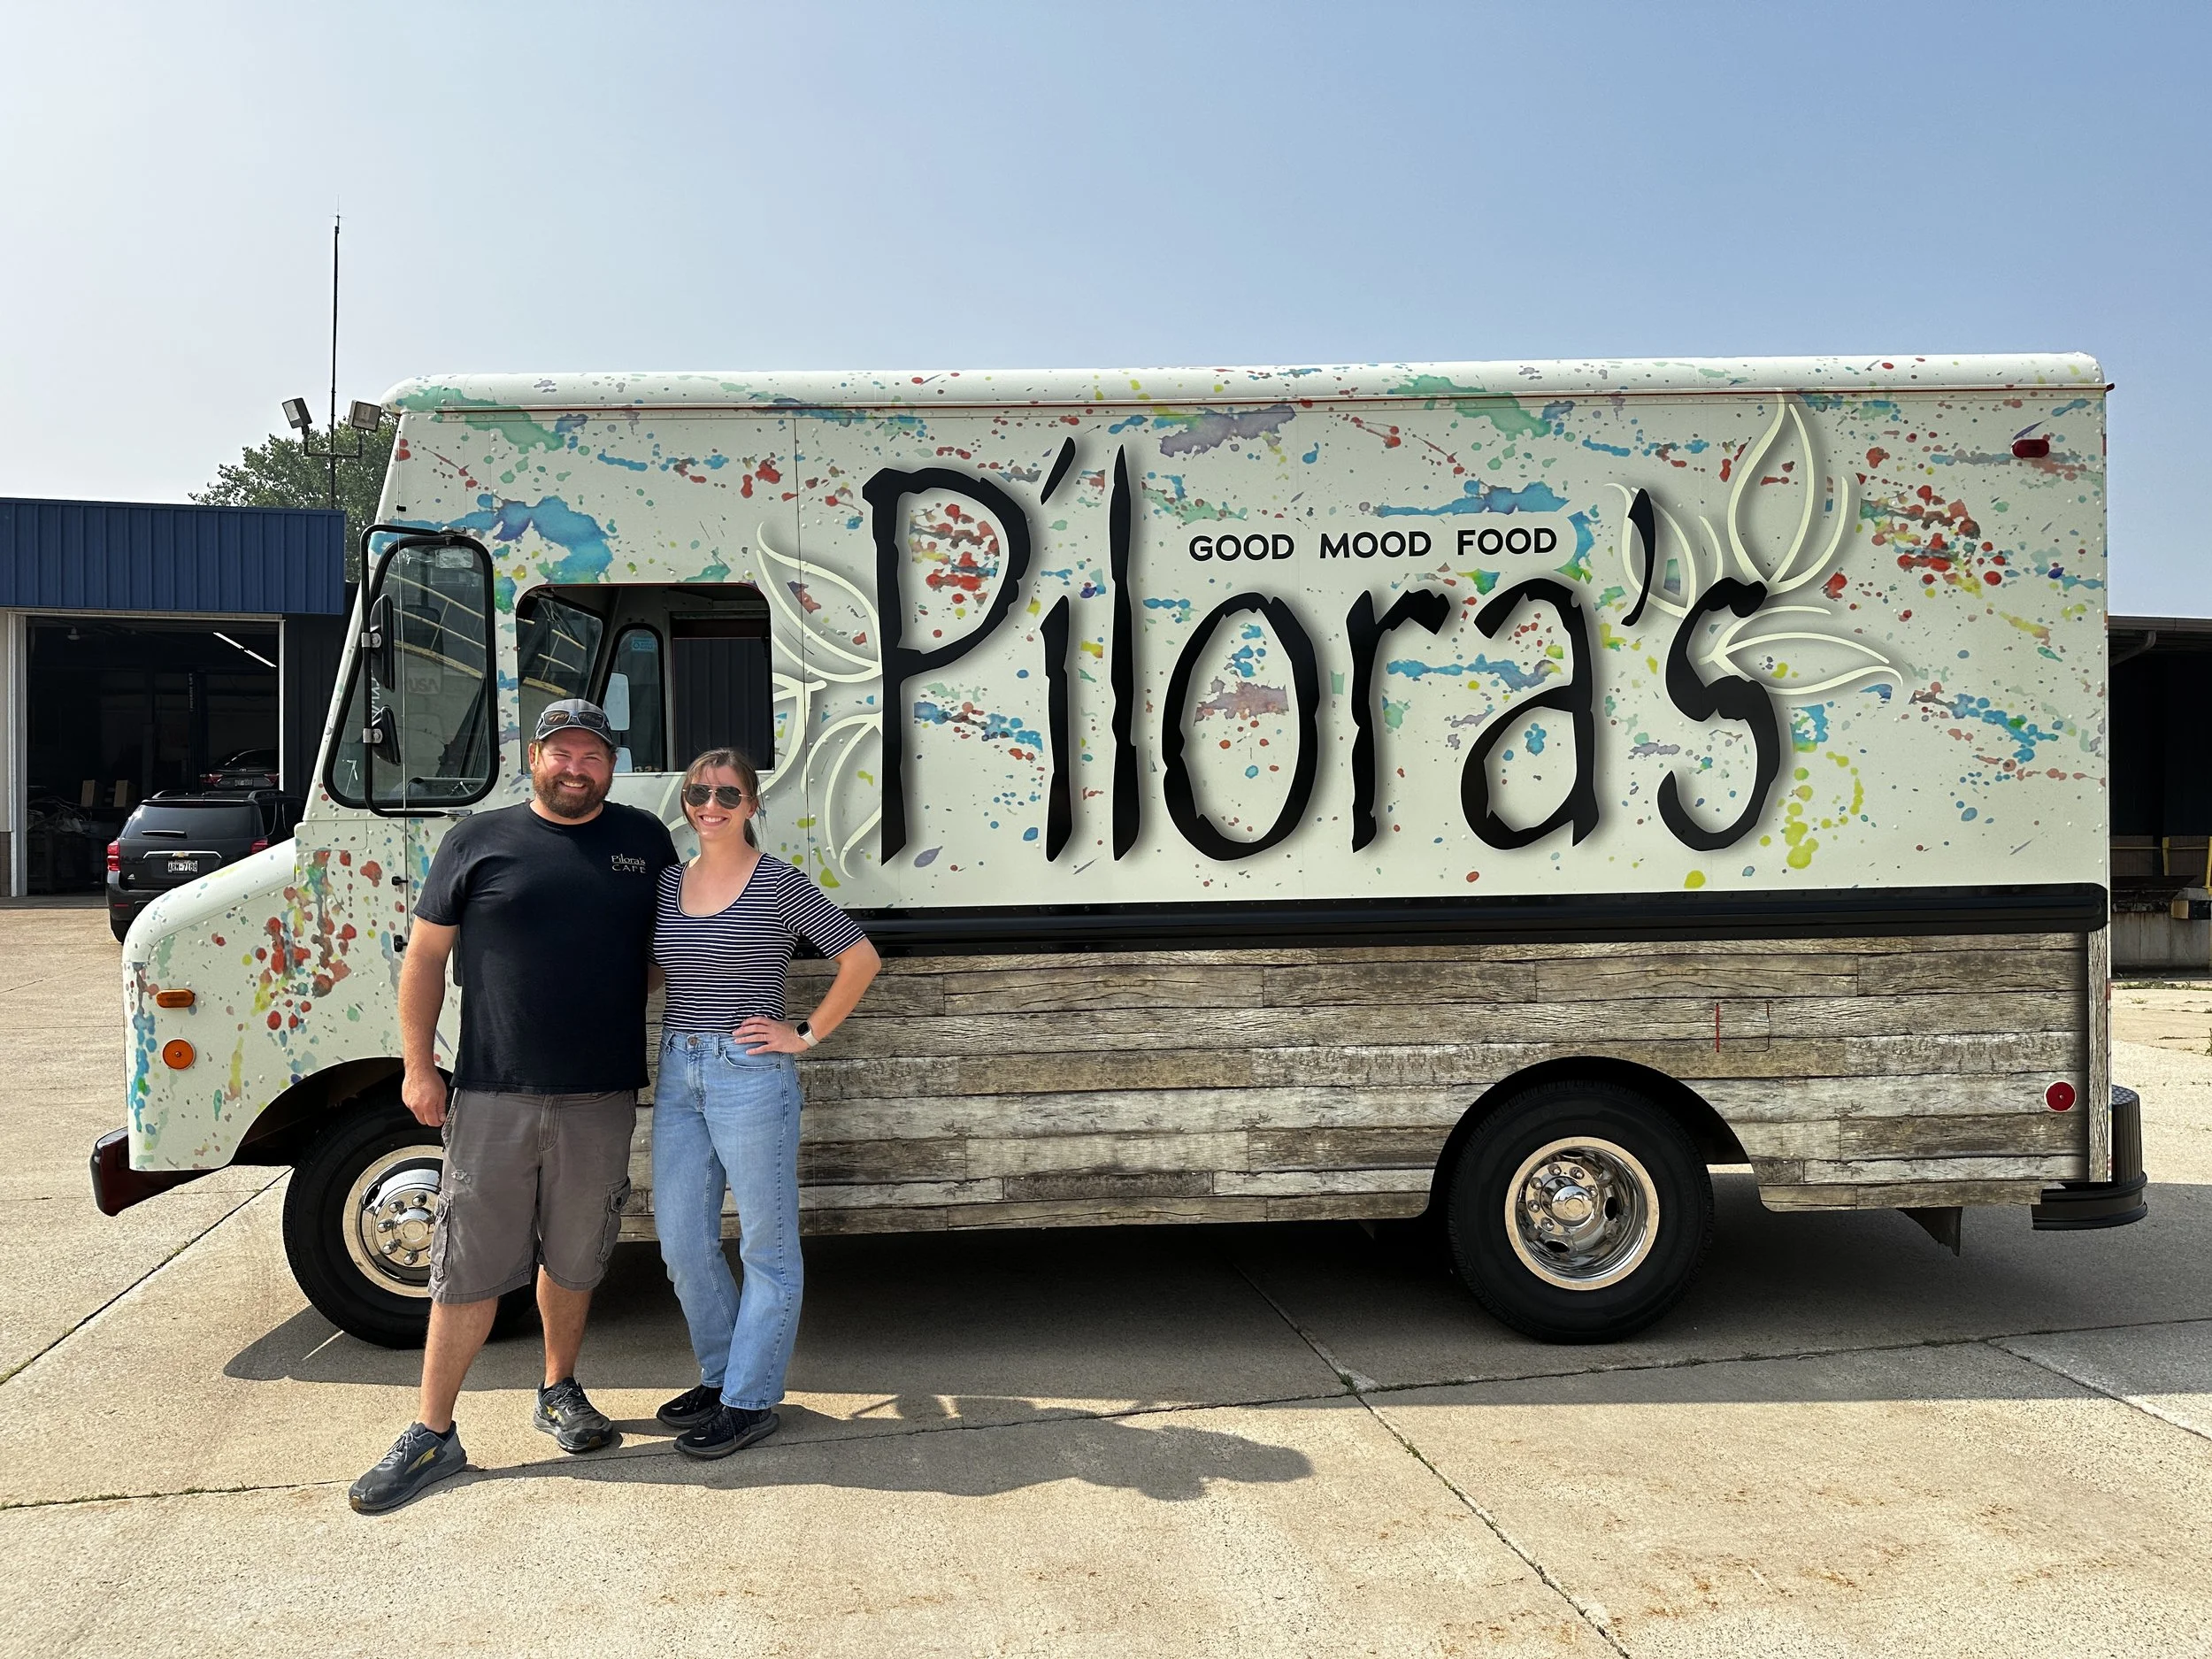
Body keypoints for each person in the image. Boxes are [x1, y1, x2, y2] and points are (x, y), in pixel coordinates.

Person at [349, 699, 678, 1514]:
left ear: (611, 764)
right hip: (493, 1091)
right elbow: (425, 959)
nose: (576, 766)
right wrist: (418, 1067)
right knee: (465, 1265)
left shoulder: (644, 841)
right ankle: (433, 1432)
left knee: (575, 1255)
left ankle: (559, 1389)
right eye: (561, 751)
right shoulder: (476, 839)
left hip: (601, 1094)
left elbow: (666, 952)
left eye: (592, 755)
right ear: (533, 757)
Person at [650, 746, 880, 1457]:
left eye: (726, 793)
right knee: (684, 1244)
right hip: (678, 1069)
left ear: (751, 804)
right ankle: (723, 1377)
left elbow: (861, 958)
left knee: (766, 1246)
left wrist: (804, 1032)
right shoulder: (667, 883)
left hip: (750, 1073)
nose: (710, 804)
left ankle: (750, 1400)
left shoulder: (779, 884)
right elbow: (661, 966)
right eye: (697, 792)